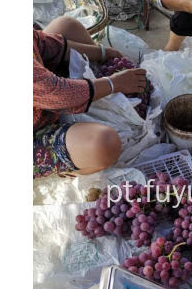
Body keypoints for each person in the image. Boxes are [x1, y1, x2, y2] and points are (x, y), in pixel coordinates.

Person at [33, 17, 148, 178]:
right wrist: (113, 83)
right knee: (104, 143)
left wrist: (103, 53)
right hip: (35, 129)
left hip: (43, 93)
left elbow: (47, 44)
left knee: (67, 26)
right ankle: (65, 164)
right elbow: (59, 93)